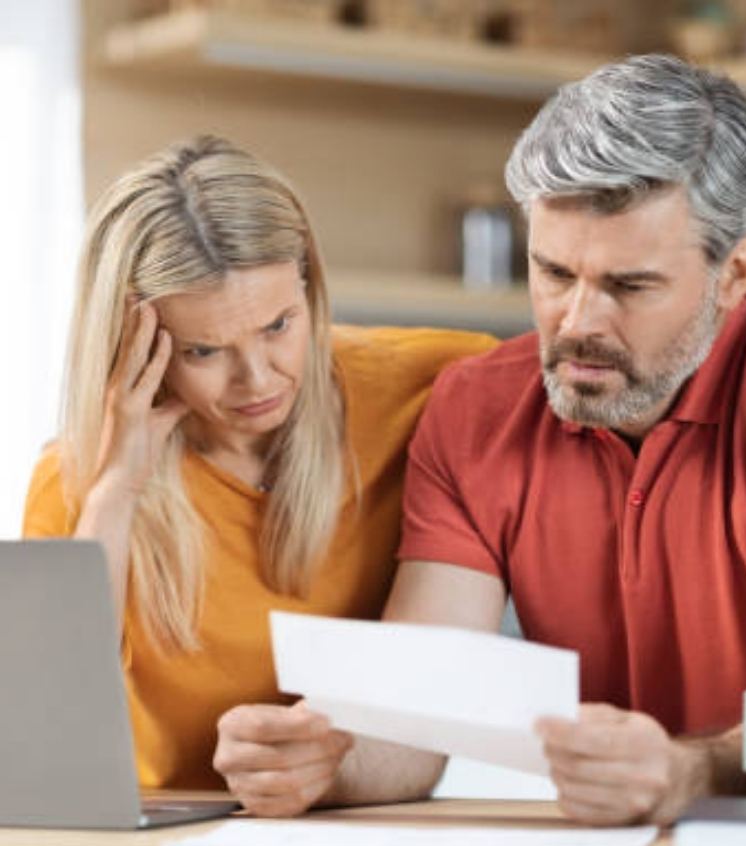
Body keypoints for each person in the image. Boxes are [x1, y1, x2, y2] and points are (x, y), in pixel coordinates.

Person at [213, 55, 746, 822]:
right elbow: (416, 710)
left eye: (629, 286)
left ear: (736, 272)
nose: (578, 323)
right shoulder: (478, 407)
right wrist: (327, 757)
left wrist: (686, 774)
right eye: (553, 273)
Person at [22, 135, 497, 792]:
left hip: (357, 828)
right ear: (134, 347)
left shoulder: (428, 383)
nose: (257, 380)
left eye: (278, 326)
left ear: (310, 285)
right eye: (203, 352)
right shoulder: (78, 483)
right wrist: (119, 490)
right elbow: (51, 732)